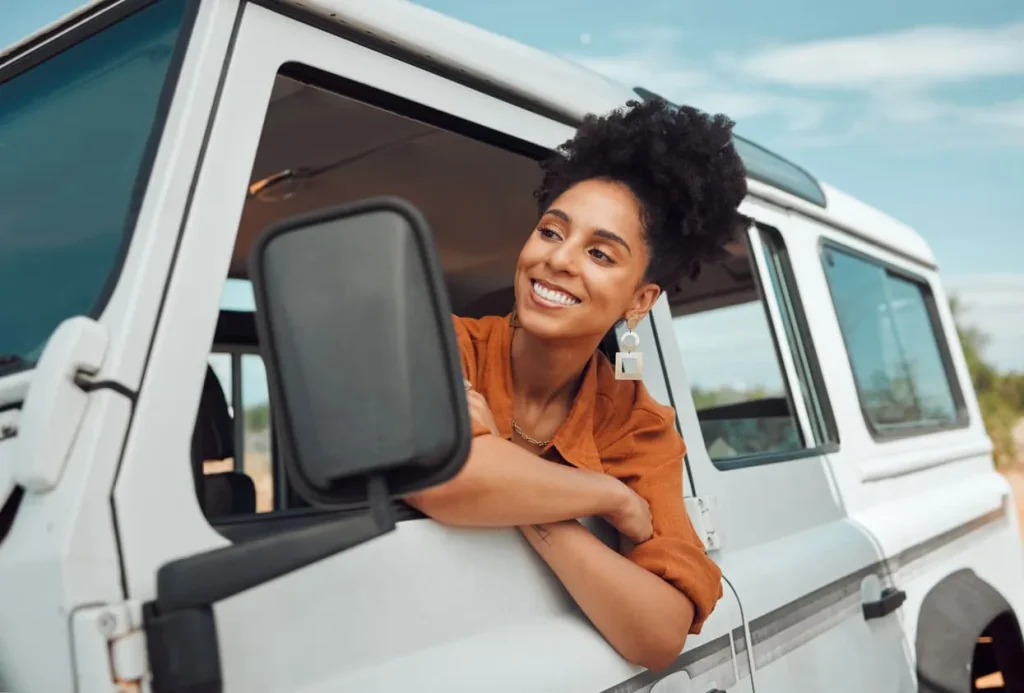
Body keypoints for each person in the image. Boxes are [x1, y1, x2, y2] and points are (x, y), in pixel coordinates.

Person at [404, 97, 748, 671]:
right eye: (550, 231)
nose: (559, 259)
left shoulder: (637, 424)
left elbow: (659, 635)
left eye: (599, 253)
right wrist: (612, 497)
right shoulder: (444, 344)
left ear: (640, 301)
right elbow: (444, 475)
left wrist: (518, 490)